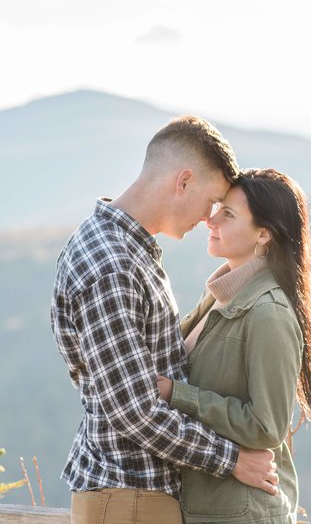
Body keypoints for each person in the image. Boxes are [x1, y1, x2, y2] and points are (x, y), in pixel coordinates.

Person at [51, 117, 278, 524]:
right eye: (211, 202)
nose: (209, 219)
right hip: (130, 493)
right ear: (183, 181)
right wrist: (233, 461)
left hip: (135, 493)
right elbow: (133, 411)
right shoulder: (112, 264)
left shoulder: (128, 250)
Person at [158, 168, 311, 524]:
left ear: (263, 234)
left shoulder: (268, 313)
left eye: (227, 214)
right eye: (217, 209)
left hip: (244, 512)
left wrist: (177, 394)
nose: (211, 220)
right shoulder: (221, 295)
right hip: (213, 506)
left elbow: (267, 427)